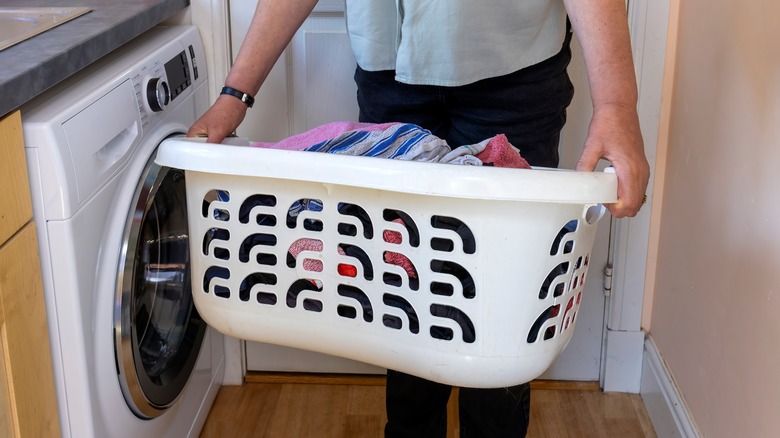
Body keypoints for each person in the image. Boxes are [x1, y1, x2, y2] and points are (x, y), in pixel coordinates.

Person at [189, 1, 650, 436]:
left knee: (502, 297)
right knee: (403, 283)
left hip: (513, 67)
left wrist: (616, 104)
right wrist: (236, 93)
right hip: (390, 74)